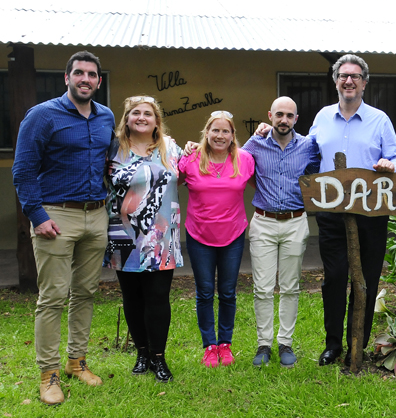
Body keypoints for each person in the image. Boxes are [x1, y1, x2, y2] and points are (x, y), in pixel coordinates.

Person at [258, 54, 396, 366]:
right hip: (331, 213)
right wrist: (268, 130)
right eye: (343, 76)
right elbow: (302, 148)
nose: (348, 81)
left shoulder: (380, 120)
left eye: (355, 76)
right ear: (336, 81)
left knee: (366, 279)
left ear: (364, 83)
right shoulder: (322, 118)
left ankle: (359, 343)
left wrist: (390, 164)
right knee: (335, 278)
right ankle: (333, 344)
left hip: (372, 211)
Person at [12, 51, 115, 405]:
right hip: (56, 217)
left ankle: (76, 361)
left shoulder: (106, 117)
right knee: (53, 297)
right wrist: (37, 216)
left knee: (85, 293)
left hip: (96, 215)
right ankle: (48, 373)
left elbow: (114, 160)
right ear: (67, 78)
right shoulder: (42, 116)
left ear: (99, 81)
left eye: (92, 75)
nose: (85, 79)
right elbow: (23, 170)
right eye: (79, 73)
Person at [104, 96, 183, 382]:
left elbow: (198, 168)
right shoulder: (113, 148)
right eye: (135, 113)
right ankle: (141, 353)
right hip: (123, 234)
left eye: (147, 113)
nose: (141, 117)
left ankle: (159, 357)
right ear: (126, 119)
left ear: (156, 120)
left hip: (162, 236)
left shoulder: (171, 147)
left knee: (159, 296)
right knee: (132, 297)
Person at [242, 97, 319, 367]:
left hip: (296, 221)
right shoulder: (255, 144)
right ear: (270, 116)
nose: (284, 120)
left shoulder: (309, 145)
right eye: (279, 115)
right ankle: (264, 344)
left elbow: (322, 169)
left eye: (289, 115)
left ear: (296, 119)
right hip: (263, 221)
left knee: (290, 287)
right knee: (262, 288)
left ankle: (285, 342)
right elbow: (236, 165)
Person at [179, 111, 255, 368]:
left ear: (233, 135)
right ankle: (209, 346)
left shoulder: (244, 159)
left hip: (232, 235)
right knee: (204, 293)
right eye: (215, 130)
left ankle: (225, 344)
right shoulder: (191, 158)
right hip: (199, 235)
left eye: (226, 131)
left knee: (227, 292)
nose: (220, 135)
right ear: (207, 133)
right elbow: (169, 182)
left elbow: (263, 183)